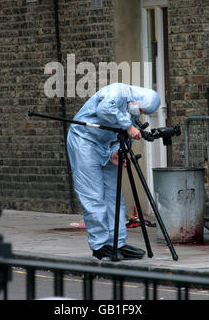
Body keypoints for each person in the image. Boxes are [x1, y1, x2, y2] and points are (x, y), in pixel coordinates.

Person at [66, 83, 161, 260]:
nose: (140, 113)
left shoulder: (131, 111)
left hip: (107, 147)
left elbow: (123, 135)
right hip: (84, 141)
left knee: (114, 196)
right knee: (93, 195)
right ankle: (100, 245)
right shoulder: (117, 91)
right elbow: (104, 109)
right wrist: (128, 126)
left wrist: (116, 152)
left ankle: (117, 242)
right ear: (139, 100)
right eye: (141, 109)